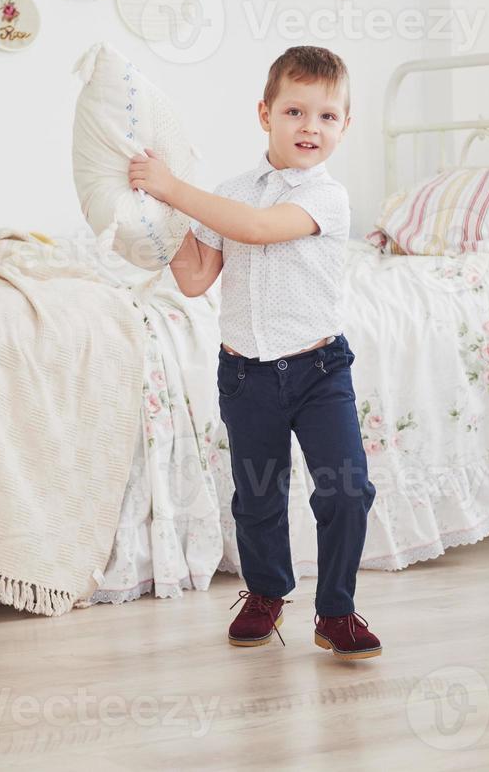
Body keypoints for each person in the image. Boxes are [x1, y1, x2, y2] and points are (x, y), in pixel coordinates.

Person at [127, 45, 380, 661]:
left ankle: (337, 610)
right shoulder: (231, 191)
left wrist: (176, 188)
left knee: (345, 490)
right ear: (264, 114)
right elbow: (194, 277)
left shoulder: (327, 197)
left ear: (344, 126)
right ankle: (266, 592)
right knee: (257, 493)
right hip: (246, 374)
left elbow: (258, 230)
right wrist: (158, 207)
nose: (309, 127)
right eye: (295, 111)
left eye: (326, 116)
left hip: (320, 370)